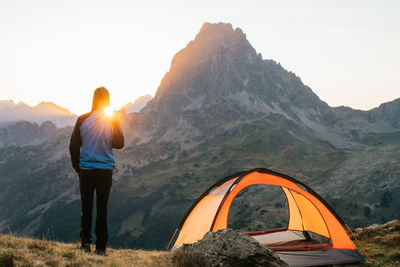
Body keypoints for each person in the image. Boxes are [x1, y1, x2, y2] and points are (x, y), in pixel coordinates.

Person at [69, 87, 124, 255]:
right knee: (102, 209)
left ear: (93, 99)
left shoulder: (82, 120)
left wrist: (79, 168)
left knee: (86, 208)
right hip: (105, 171)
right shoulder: (111, 120)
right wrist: (114, 122)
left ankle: (85, 244)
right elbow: (119, 143)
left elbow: (73, 147)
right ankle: (101, 248)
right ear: (107, 100)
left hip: (86, 170)